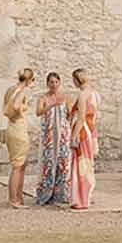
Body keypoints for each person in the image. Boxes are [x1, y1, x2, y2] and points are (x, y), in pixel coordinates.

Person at [34, 71, 73, 206]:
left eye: (56, 82)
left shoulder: (66, 97)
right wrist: (51, 105)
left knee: (63, 161)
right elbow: (38, 112)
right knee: (48, 161)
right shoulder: (43, 98)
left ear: (59, 83)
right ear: (47, 83)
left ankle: (61, 193)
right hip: (49, 135)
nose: (54, 84)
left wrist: (68, 130)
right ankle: (45, 193)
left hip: (62, 134)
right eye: (51, 82)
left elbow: (70, 114)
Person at [2, 68, 35, 209]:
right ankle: (14, 199)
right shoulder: (21, 92)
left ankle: (19, 197)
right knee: (17, 166)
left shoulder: (10, 89)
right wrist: (22, 110)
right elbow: (15, 106)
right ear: (28, 80)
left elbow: (6, 106)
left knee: (21, 165)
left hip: (11, 127)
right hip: (18, 128)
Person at [69, 67, 99, 211]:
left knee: (81, 165)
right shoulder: (95, 94)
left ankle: (81, 199)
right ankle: (86, 195)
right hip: (91, 131)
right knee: (87, 165)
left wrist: (73, 136)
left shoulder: (83, 95)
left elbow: (80, 118)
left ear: (76, 80)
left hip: (83, 131)